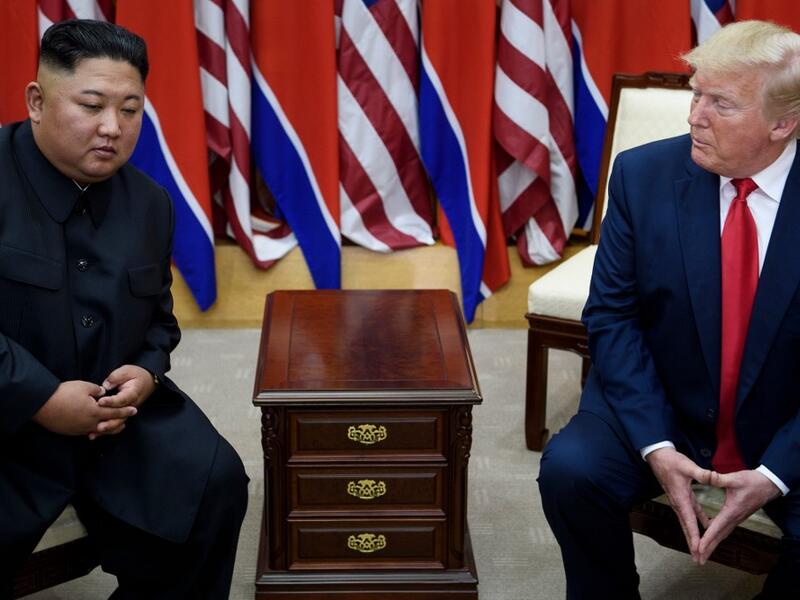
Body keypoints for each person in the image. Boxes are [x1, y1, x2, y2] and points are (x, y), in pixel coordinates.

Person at [538, 20, 800, 599]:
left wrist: (777, 471)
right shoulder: (643, 175)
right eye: (695, 93)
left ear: (783, 123)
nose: (693, 116)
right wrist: (657, 444)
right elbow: (612, 317)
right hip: (667, 403)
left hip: (786, 421)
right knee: (571, 471)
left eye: (721, 104)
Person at [0, 19, 248, 599]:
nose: (113, 128)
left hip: (112, 420)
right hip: (8, 422)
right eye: (92, 105)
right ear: (37, 101)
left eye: (130, 110)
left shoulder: (150, 204)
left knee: (214, 482)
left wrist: (146, 371)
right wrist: (39, 397)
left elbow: (159, 320)